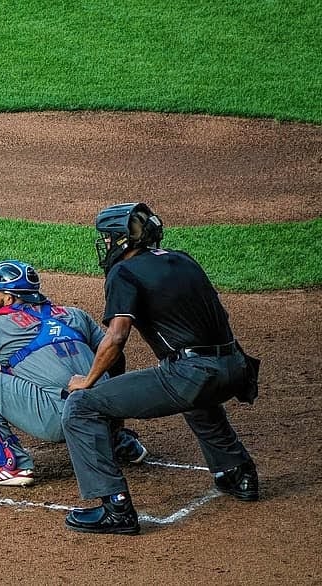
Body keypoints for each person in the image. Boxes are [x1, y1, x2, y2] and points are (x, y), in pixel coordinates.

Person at [62, 202, 261, 535]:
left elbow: (117, 335)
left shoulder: (123, 272)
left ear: (123, 240)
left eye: (109, 238)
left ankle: (116, 509)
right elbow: (218, 315)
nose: (106, 244)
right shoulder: (182, 259)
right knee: (197, 398)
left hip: (193, 374)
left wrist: (88, 380)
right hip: (235, 366)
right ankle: (239, 472)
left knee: (81, 407)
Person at [0, 260, 148, 487]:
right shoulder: (75, 315)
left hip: (63, 421)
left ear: (10, 298)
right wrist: (116, 419)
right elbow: (115, 357)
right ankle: (116, 438)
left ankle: (11, 466)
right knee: (74, 368)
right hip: (106, 412)